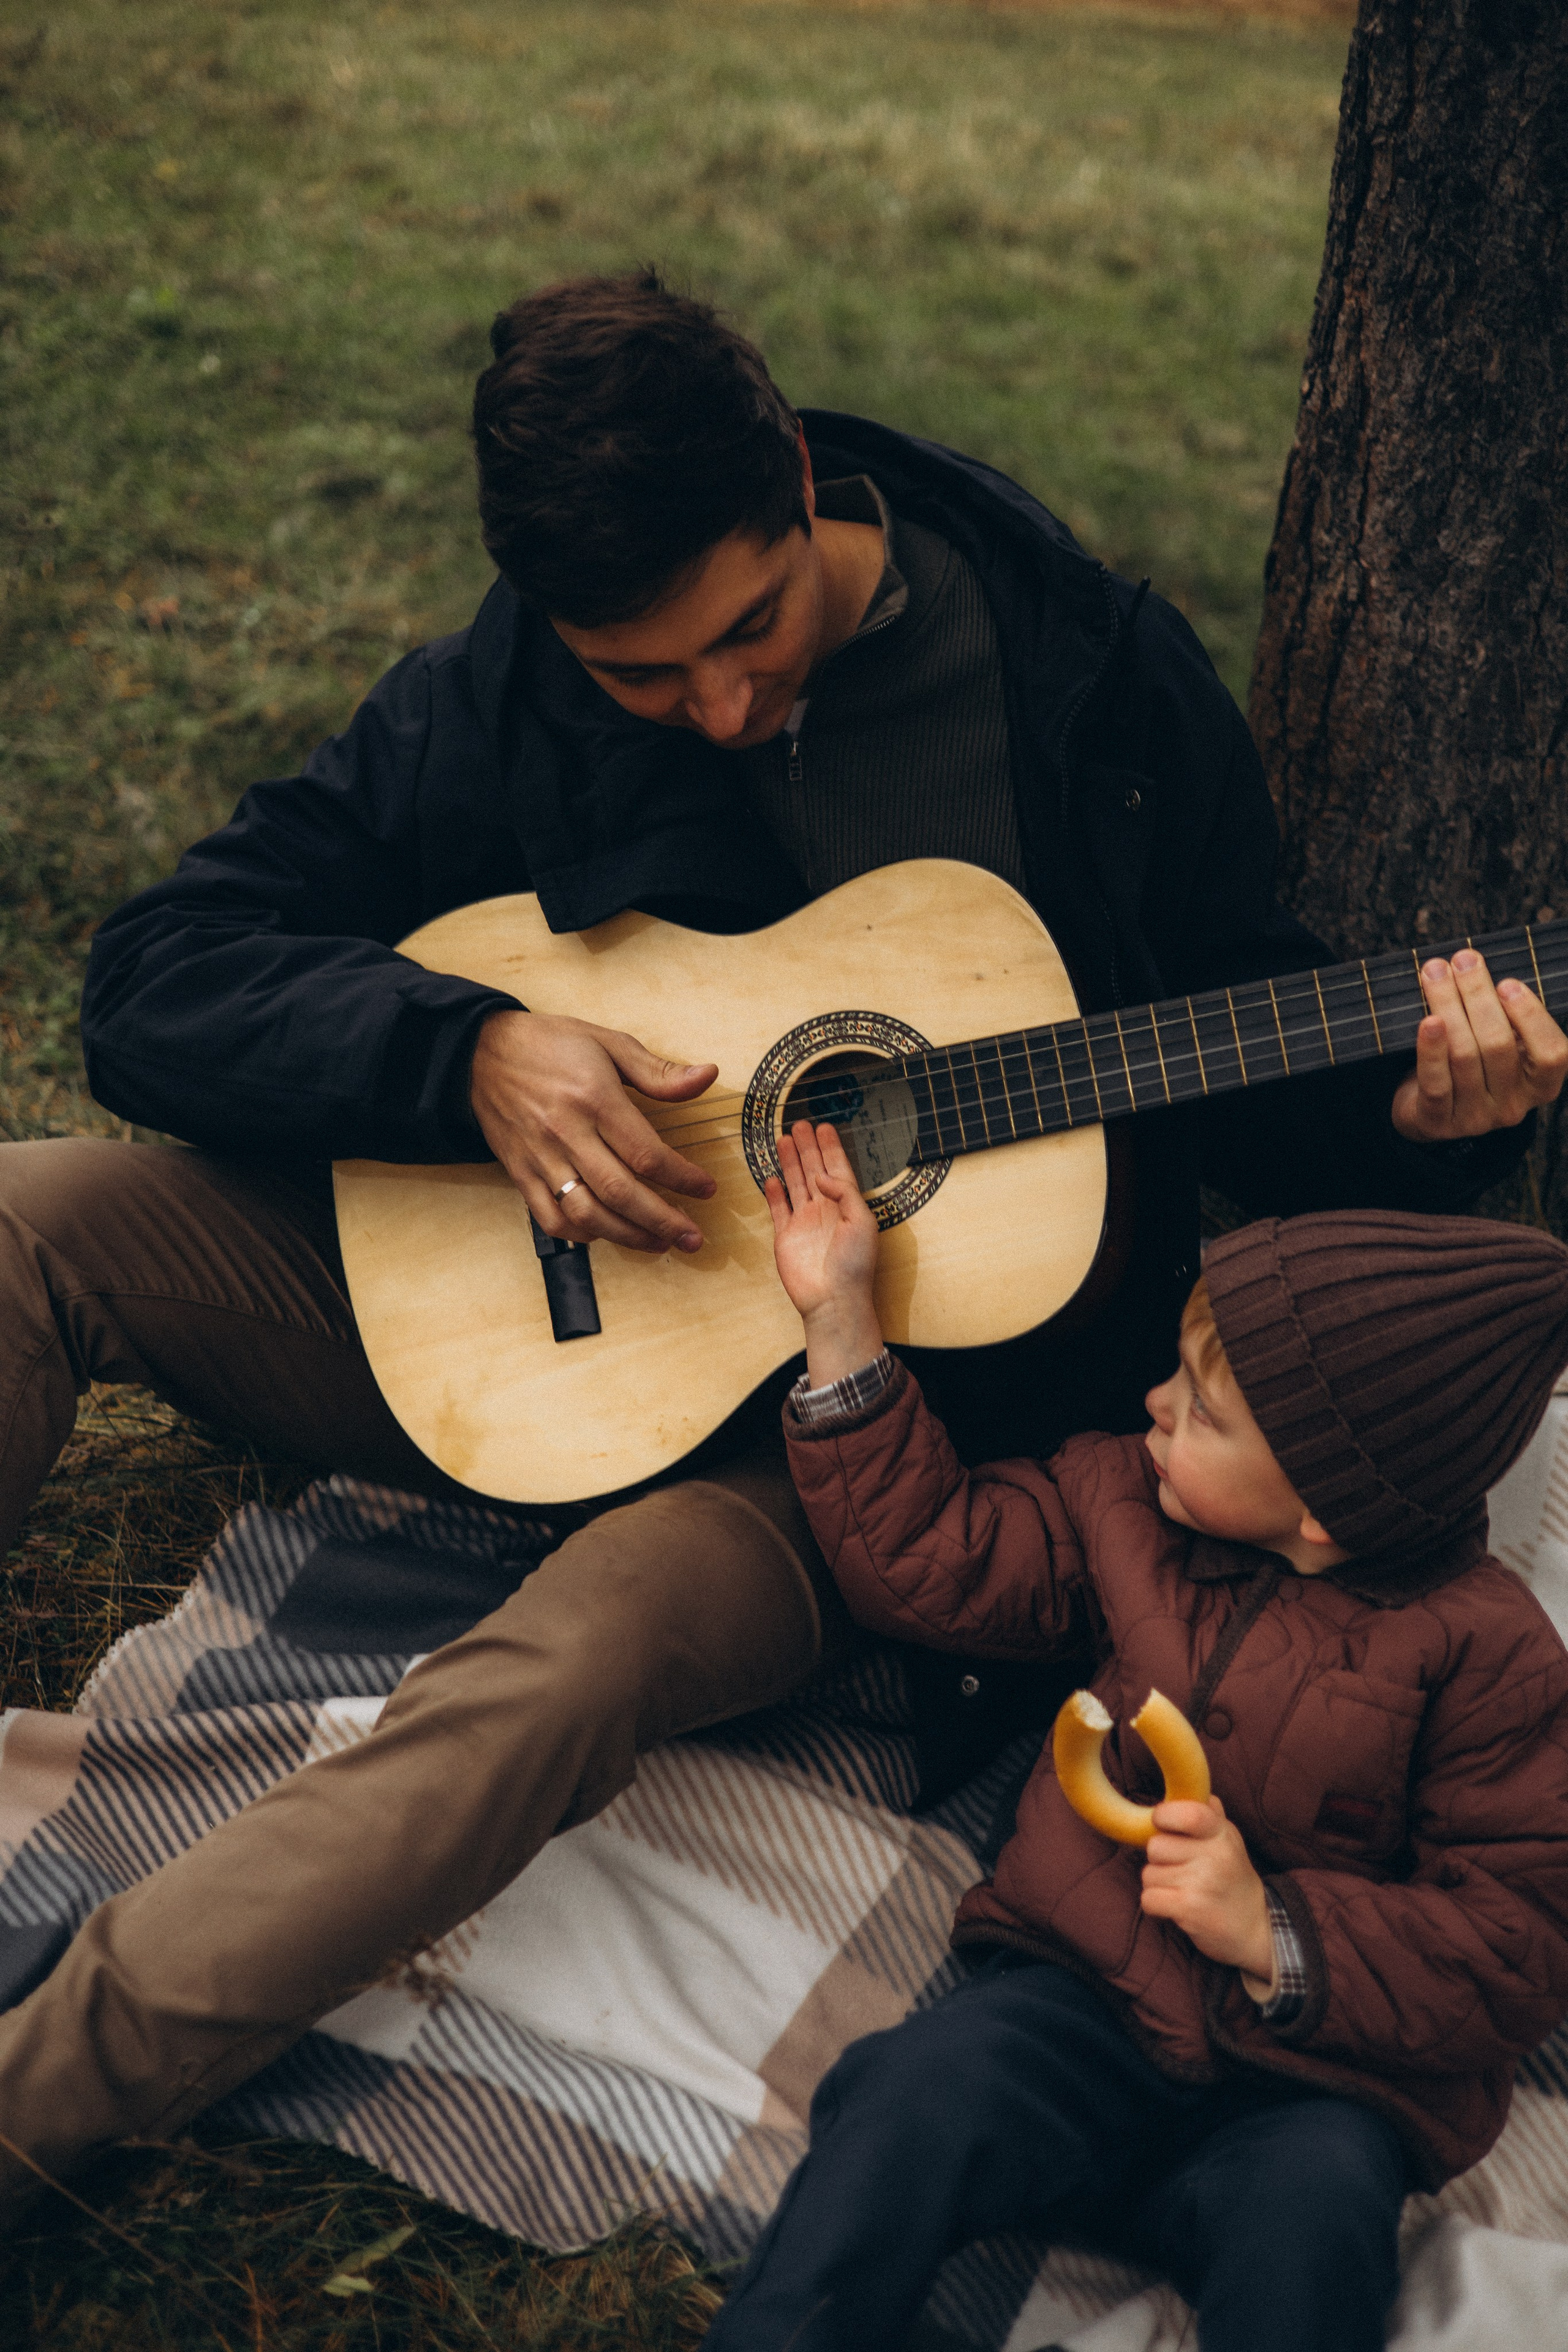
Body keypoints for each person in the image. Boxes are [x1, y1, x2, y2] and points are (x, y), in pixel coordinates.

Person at [0, 273, 1562, 2203]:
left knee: (571, 1661)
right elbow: (155, 979)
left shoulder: (1083, 675)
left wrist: (1423, 1119)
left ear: (802, 480)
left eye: (751, 629)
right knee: (24, 1209)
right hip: (514, 1296)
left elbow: (1243, 1029)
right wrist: (464, 1050)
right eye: (649, 681)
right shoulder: (508, 686)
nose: (725, 706)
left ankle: (34, 2099)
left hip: (862, 1451)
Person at [695, 1121, 1568, 2352]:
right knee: (909, 2097)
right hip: (1078, 2003)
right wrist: (839, 1323)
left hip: (1313, 2091)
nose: (1154, 1405)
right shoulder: (1121, 1505)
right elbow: (938, 1563)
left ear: (1324, 1509)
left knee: (1313, 2234)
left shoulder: (1488, 1658)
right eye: (1176, 1373)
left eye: (1200, 1412)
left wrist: (1275, 1934)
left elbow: (1516, 1946)